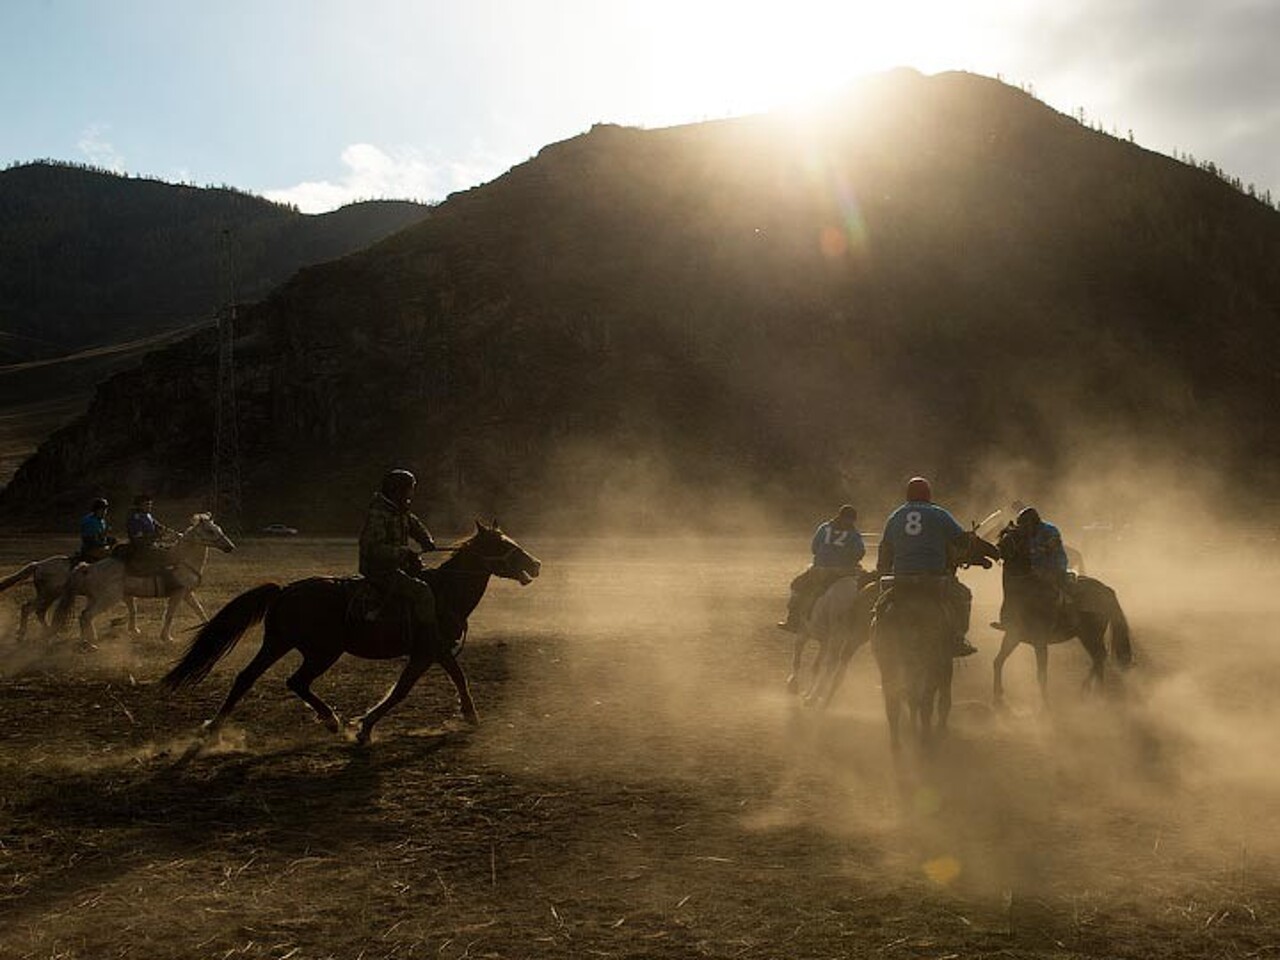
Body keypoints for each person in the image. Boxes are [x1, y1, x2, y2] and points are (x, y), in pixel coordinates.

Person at [876, 476, 976, 657]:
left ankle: (880, 639)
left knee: (880, 606)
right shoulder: (939, 514)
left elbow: (885, 547)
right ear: (928, 494)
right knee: (963, 595)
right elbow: (961, 540)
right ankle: (958, 639)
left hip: (902, 579)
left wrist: (883, 569)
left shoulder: (896, 516)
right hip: (933, 579)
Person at [358, 469, 439, 639]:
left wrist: (427, 541)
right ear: (397, 490)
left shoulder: (400, 510)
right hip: (380, 570)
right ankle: (428, 639)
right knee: (422, 592)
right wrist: (405, 553)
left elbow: (415, 526)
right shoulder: (379, 514)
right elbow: (371, 548)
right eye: (410, 489)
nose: (412, 493)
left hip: (399, 566)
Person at [777, 504, 867, 633]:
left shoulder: (824, 528)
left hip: (820, 571)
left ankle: (793, 620)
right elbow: (859, 553)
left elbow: (814, 548)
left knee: (797, 586)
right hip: (843, 572)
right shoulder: (854, 534)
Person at [993, 506, 1071, 631]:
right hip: (1036, 568)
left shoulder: (1050, 530)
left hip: (1054, 566)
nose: (1022, 529)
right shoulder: (1028, 532)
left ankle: (1050, 620)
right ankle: (1012, 620)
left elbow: (1051, 546)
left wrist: (1036, 550)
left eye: (1024, 525)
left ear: (1032, 523)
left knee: (1045, 590)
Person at [123, 493, 174, 575]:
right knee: (166, 555)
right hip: (141, 549)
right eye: (146, 504)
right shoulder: (135, 518)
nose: (149, 506)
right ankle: (168, 583)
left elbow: (159, 526)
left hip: (151, 545)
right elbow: (138, 538)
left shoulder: (148, 515)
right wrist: (156, 535)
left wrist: (174, 533)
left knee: (172, 549)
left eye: (150, 504)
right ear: (139, 505)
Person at [76, 497, 115, 563]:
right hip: (91, 549)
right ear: (97, 510)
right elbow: (89, 540)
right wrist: (104, 543)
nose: (105, 512)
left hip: (99, 547)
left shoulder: (101, 520)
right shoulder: (90, 521)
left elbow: (101, 536)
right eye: (103, 510)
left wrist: (109, 540)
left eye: (105, 510)